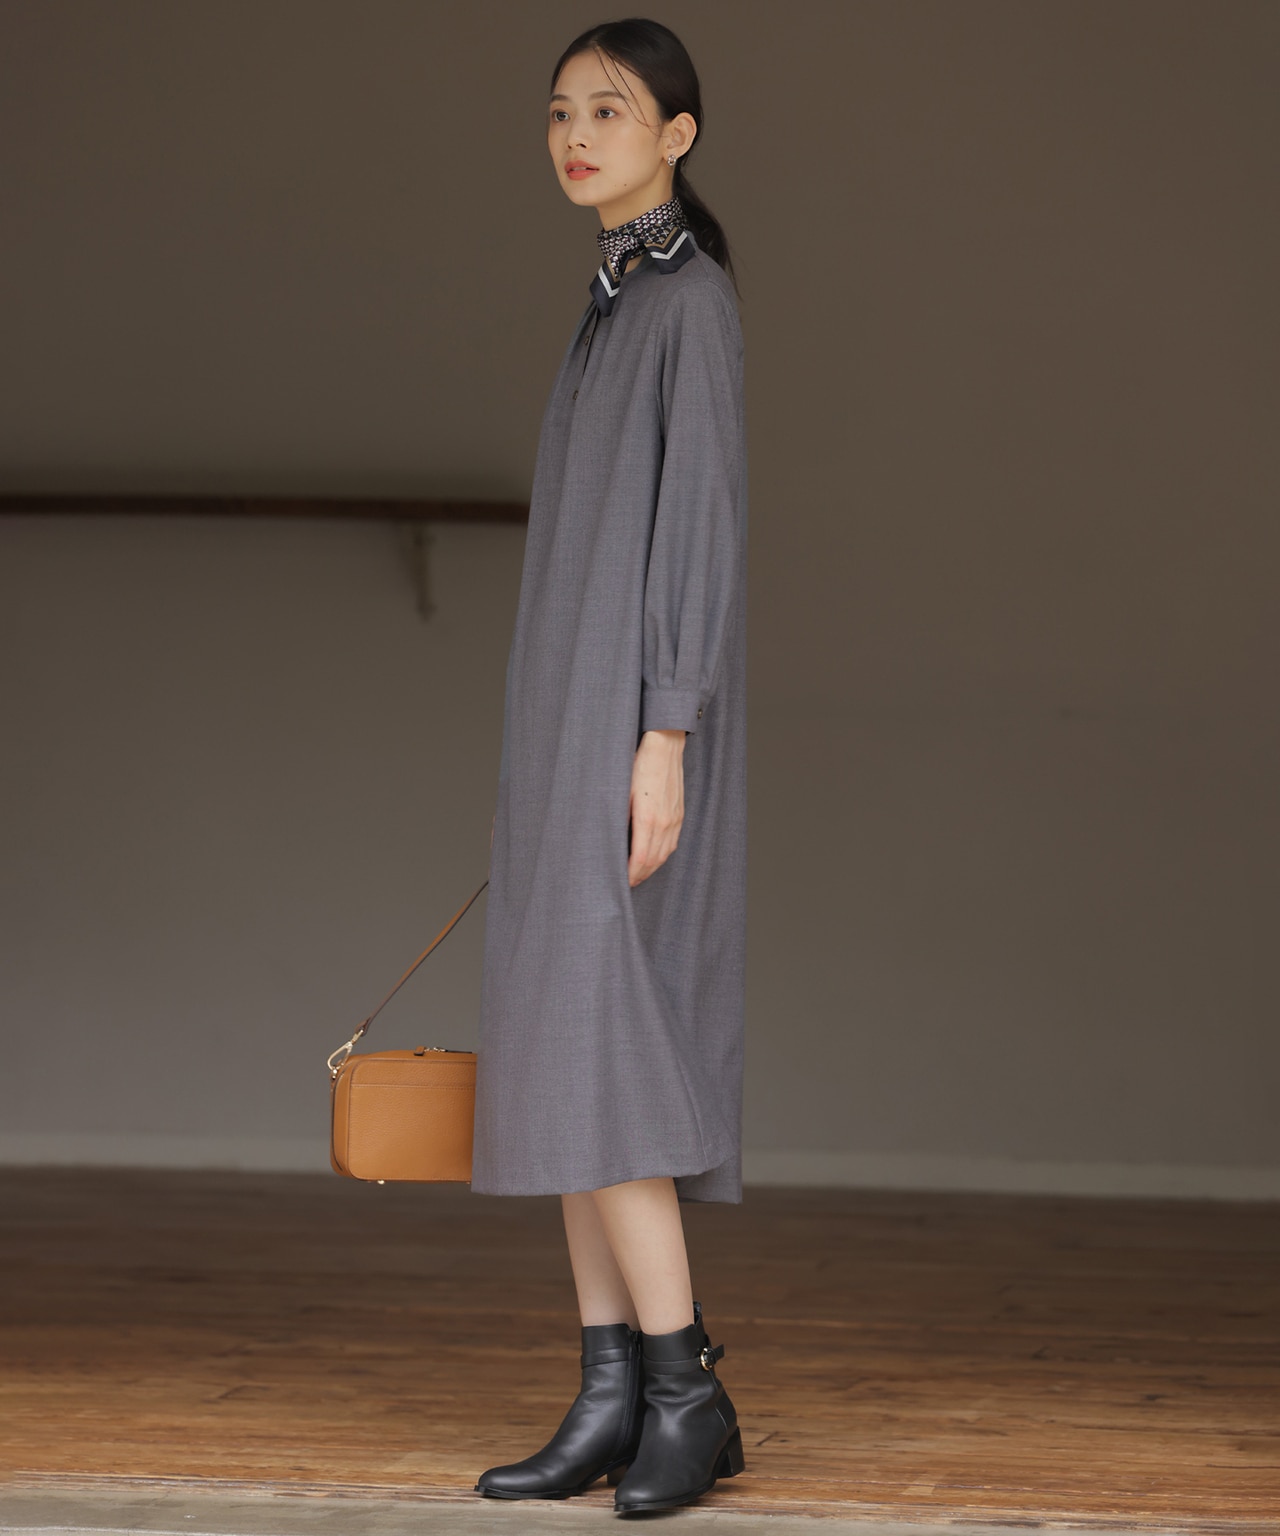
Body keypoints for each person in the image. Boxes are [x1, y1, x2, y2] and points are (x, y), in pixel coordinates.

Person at [470, 17, 749, 1516]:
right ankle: (611, 1392)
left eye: (612, 110)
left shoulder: (687, 300)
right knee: (562, 1052)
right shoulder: (612, 298)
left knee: (607, 1050)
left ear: (677, 136)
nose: (577, 135)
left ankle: (687, 1391)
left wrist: (666, 734)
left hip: (632, 729)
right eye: (561, 111)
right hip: (565, 721)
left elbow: (696, 528)